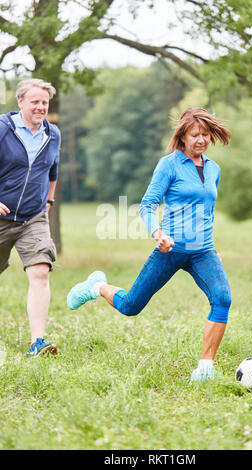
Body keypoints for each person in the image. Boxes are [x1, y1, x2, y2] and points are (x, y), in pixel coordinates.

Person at [67, 107, 232, 382]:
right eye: (195, 135)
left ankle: (205, 369)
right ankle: (95, 286)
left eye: (205, 134)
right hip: (170, 248)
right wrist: (158, 233)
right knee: (131, 305)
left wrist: (209, 245)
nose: (201, 140)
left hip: (203, 251)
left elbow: (207, 210)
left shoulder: (214, 169)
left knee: (222, 299)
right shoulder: (169, 165)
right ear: (182, 137)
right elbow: (148, 204)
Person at [0, 78, 61, 357]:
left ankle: (37, 342)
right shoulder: (3, 129)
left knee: (40, 270)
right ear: (21, 102)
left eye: (44, 103)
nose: (40, 107)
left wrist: (48, 201)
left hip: (32, 218)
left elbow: (53, 171)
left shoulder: (53, 134)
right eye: (35, 101)